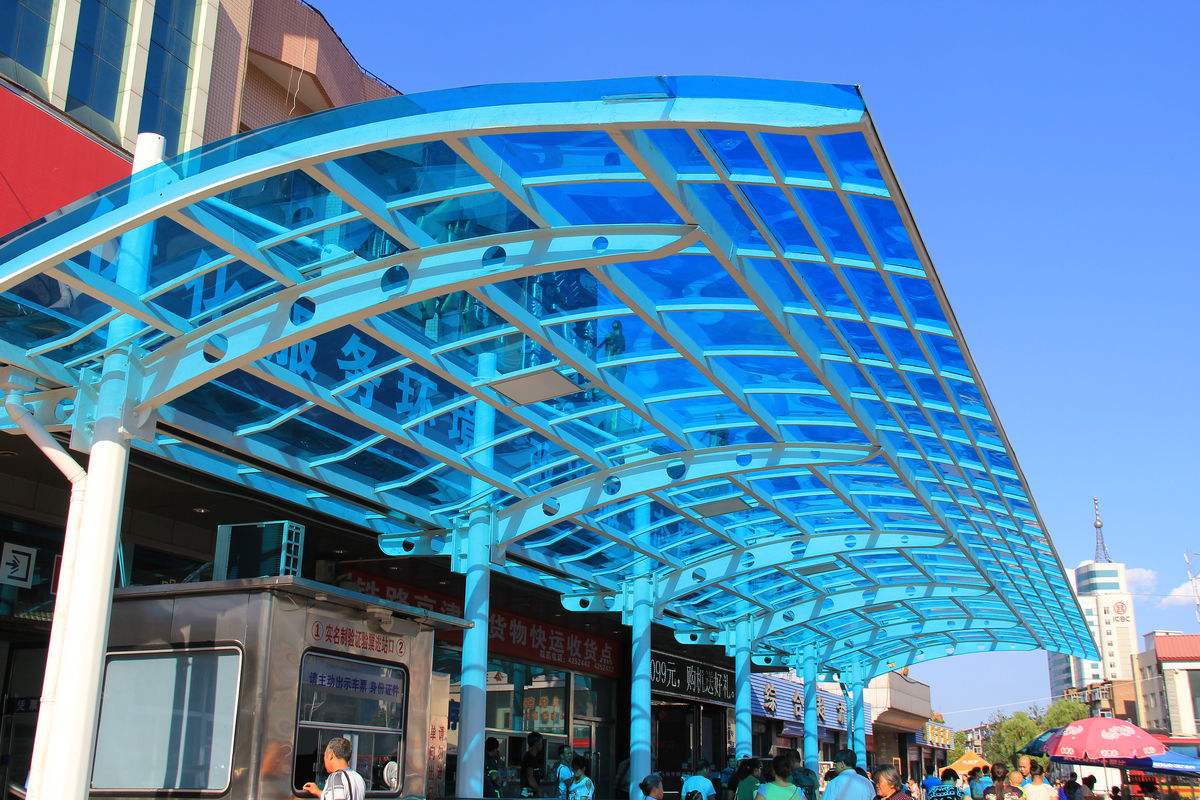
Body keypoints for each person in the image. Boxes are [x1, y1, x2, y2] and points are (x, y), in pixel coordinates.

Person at [302, 737, 366, 800]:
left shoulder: (336, 776)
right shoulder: (358, 777)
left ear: (331, 755)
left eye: (324, 755)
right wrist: (318, 792)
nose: (324, 760)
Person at [522, 732, 547, 797]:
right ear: (536, 743)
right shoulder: (529, 757)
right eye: (541, 742)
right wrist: (539, 790)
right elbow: (530, 778)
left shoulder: (536, 757)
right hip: (528, 794)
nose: (542, 745)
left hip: (533, 793)